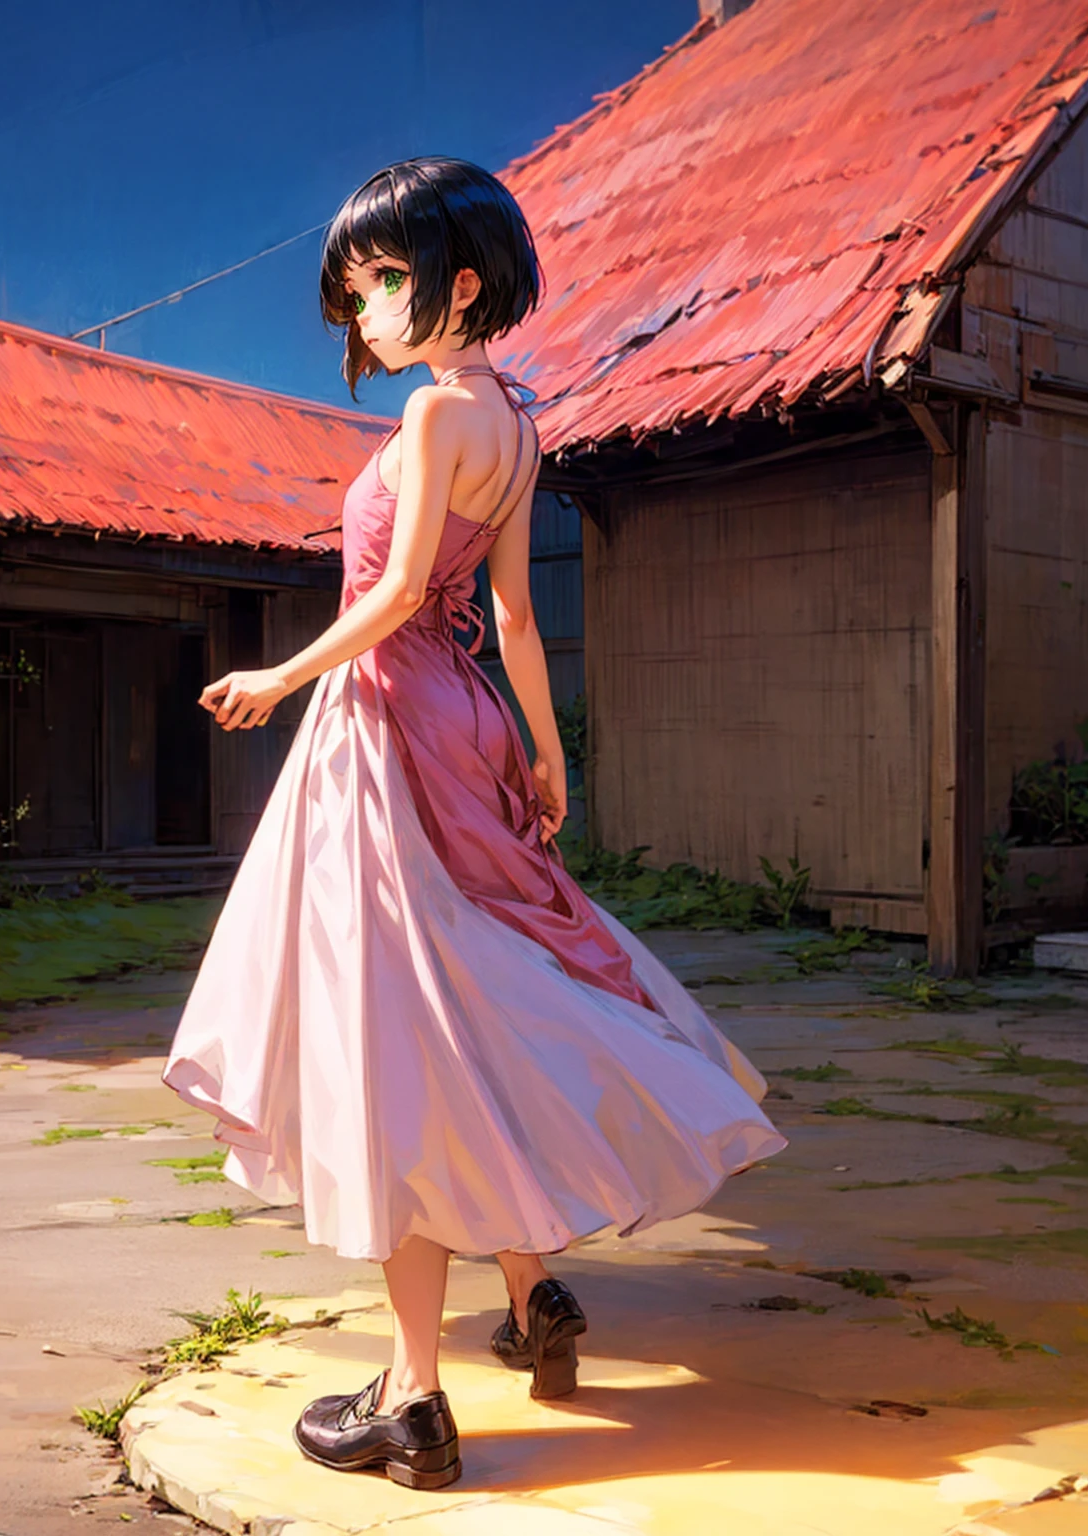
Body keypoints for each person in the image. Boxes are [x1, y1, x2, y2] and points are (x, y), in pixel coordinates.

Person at [162, 157, 786, 1491]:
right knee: (473, 1005)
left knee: (396, 1044)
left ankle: (416, 1399)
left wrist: (281, 675)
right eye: (352, 296)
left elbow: (396, 597)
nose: (364, 317)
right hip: (468, 718)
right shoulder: (519, 424)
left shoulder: (442, 417)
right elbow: (508, 616)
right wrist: (546, 752)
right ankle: (533, 1296)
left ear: (458, 280)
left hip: (389, 725)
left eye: (381, 284)